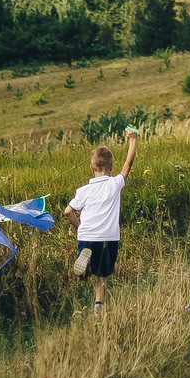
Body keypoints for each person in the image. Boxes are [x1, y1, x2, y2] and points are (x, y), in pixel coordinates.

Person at [63, 130, 136, 307]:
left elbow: (67, 212)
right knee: (102, 275)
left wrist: (79, 226)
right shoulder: (115, 183)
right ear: (111, 167)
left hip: (86, 236)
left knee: (88, 272)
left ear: (91, 168)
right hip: (107, 238)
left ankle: (85, 262)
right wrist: (133, 140)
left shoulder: (83, 190)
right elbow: (128, 163)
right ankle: (98, 306)